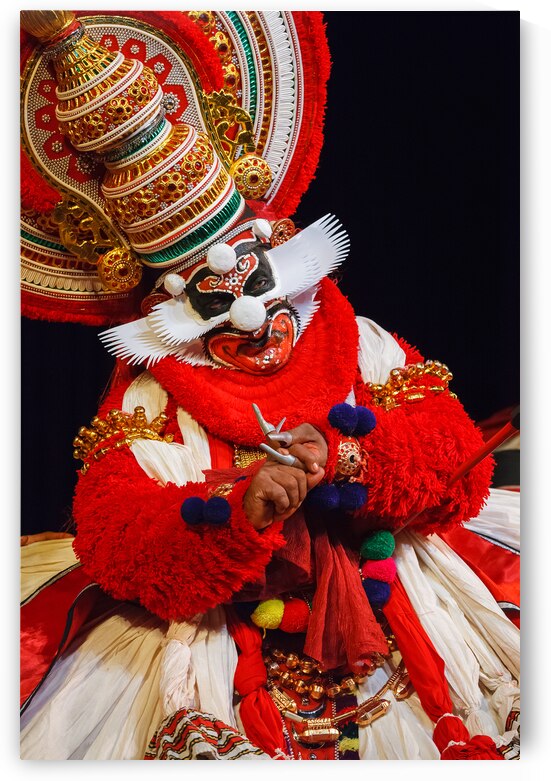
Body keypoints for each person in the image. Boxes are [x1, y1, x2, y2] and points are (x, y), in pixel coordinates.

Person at [20, 9, 520, 760]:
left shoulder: (356, 338)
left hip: (406, 594)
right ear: (168, 303)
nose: (251, 312)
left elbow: (455, 452)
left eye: (252, 278)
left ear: (277, 248)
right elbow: (114, 531)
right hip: (231, 641)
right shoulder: (151, 393)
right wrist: (233, 509)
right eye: (213, 297)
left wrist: (352, 460)